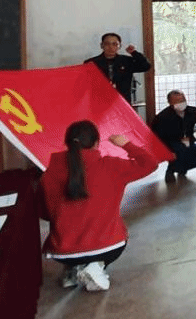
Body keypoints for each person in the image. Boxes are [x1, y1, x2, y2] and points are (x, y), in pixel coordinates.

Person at [40, 120, 157, 291]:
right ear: (96, 143)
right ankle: (96, 266)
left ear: (67, 143)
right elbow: (150, 163)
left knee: (68, 236)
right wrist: (126, 144)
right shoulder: (112, 166)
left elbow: (44, 213)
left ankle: (73, 269)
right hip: (107, 248)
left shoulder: (49, 174)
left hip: (62, 252)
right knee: (117, 232)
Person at [150, 90, 196, 182]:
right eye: (177, 101)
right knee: (180, 150)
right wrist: (168, 151)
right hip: (172, 144)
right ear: (170, 103)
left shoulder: (192, 111)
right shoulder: (163, 117)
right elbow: (156, 136)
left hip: (189, 142)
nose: (181, 103)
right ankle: (171, 170)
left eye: (183, 100)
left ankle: (181, 168)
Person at [84, 33, 152, 103]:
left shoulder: (127, 61)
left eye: (114, 44)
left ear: (119, 46)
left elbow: (146, 66)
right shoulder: (91, 63)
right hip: (99, 101)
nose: (110, 47)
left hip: (122, 102)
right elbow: (84, 84)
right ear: (102, 45)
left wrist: (134, 53)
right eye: (107, 44)